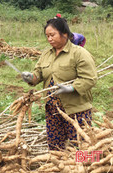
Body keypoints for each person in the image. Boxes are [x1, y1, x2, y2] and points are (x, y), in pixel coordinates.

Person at [21, 17, 97, 150]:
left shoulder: (79, 53)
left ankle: (85, 168)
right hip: (53, 110)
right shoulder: (46, 54)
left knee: (81, 147)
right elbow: (38, 73)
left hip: (75, 110)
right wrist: (31, 77)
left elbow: (89, 78)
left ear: (65, 34)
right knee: (56, 148)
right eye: (47, 36)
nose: (49, 39)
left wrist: (71, 88)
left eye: (52, 35)